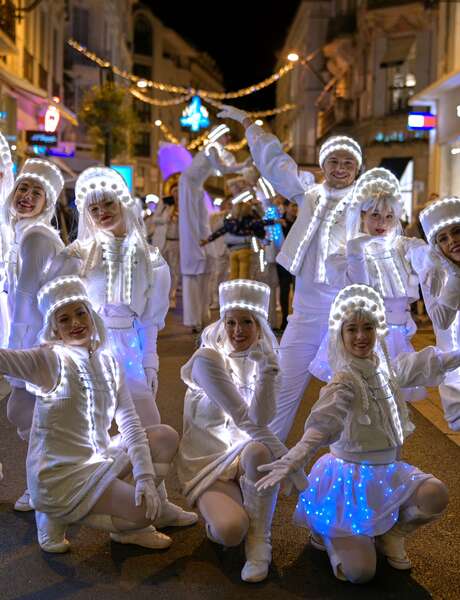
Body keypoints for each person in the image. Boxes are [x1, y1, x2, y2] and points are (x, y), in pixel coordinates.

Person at [256, 284, 458, 583]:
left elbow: (429, 363)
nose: (361, 336)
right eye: (352, 329)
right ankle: (327, 534)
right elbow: (322, 425)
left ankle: (391, 534)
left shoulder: (386, 367)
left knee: (435, 494)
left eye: (368, 327)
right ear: (340, 335)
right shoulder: (343, 381)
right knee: (361, 573)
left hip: (388, 474)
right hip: (348, 484)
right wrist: (294, 457)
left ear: (378, 331)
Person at [49, 166, 197, 529]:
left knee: (148, 425)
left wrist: (151, 363)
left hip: (129, 349)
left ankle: (153, 505)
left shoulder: (151, 258)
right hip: (88, 351)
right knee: (81, 431)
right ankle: (56, 511)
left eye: (108, 203)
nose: (102, 212)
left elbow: (150, 320)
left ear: (122, 201)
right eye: (94, 208)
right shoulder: (76, 256)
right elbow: (57, 308)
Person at [0, 275, 181, 552]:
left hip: (99, 458)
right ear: (54, 329)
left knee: (165, 437)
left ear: (91, 315)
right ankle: (55, 513)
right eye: (64, 319)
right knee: (146, 512)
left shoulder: (109, 361)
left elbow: (130, 421)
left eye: (80, 313)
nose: (75, 323)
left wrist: (144, 476)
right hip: (61, 476)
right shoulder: (48, 360)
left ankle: (125, 524)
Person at [218, 104, 362, 441]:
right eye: (334, 161)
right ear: (323, 165)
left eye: (348, 163)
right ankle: (261, 459)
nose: (340, 168)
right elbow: (275, 162)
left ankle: (350, 471)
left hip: (347, 315)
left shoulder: (368, 202)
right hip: (306, 312)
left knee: (349, 396)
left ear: (357, 168)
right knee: (281, 386)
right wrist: (250, 121)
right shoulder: (309, 193)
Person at [176, 279, 306, 582]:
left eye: (246, 322)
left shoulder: (265, 362)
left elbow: (259, 421)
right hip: (208, 463)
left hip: (244, 456)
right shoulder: (207, 360)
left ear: (259, 325)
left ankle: (260, 542)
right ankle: (226, 519)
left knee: (260, 451)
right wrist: (292, 464)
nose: (238, 331)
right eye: (230, 322)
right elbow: (243, 418)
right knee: (230, 531)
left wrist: (267, 372)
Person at [311, 168, 428, 400]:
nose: (382, 222)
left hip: (397, 337)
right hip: (363, 337)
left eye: (388, 216)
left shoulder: (401, 247)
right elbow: (360, 290)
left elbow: (427, 257)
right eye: (375, 215)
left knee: (392, 401)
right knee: (357, 398)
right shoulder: (346, 253)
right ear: (363, 215)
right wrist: (357, 253)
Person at [1, 158, 65, 512]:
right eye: (23, 188)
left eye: (36, 192)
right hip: (35, 341)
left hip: (36, 344)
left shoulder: (37, 236)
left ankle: (45, 491)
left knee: (30, 416)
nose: (26, 196)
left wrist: (14, 356)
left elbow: (26, 301)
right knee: (27, 416)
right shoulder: (24, 233)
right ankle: (41, 488)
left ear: (48, 202)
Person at [178, 124, 250, 333]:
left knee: (201, 225)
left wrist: (243, 167)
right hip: (190, 186)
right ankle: (196, 247)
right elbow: (224, 169)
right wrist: (243, 165)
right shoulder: (210, 149)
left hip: (197, 189)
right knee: (193, 225)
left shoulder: (216, 151)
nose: (229, 139)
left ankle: (201, 244)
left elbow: (225, 167)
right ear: (220, 135)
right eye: (227, 135)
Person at [419, 197, 460, 430]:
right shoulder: (435, 275)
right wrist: (455, 277)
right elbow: (441, 320)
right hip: (456, 371)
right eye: (443, 238)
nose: (452, 241)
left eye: (456, 232)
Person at [150, 173, 181, 308]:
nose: (177, 194)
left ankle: (171, 297)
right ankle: (159, 296)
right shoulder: (165, 203)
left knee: (174, 271)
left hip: (177, 242)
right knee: (161, 269)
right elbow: (155, 219)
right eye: (175, 191)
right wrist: (165, 219)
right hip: (163, 241)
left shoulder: (185, 206)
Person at [276, 200, 297, 332]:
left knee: (296, 290)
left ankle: (294, 320)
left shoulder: (300, 221)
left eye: (296, 206)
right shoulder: (279, 222)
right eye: (293, 205)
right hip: (283, 261)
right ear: (286, 207)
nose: (295, 208)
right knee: (284, 290)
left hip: (296, 261)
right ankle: (284, 319)